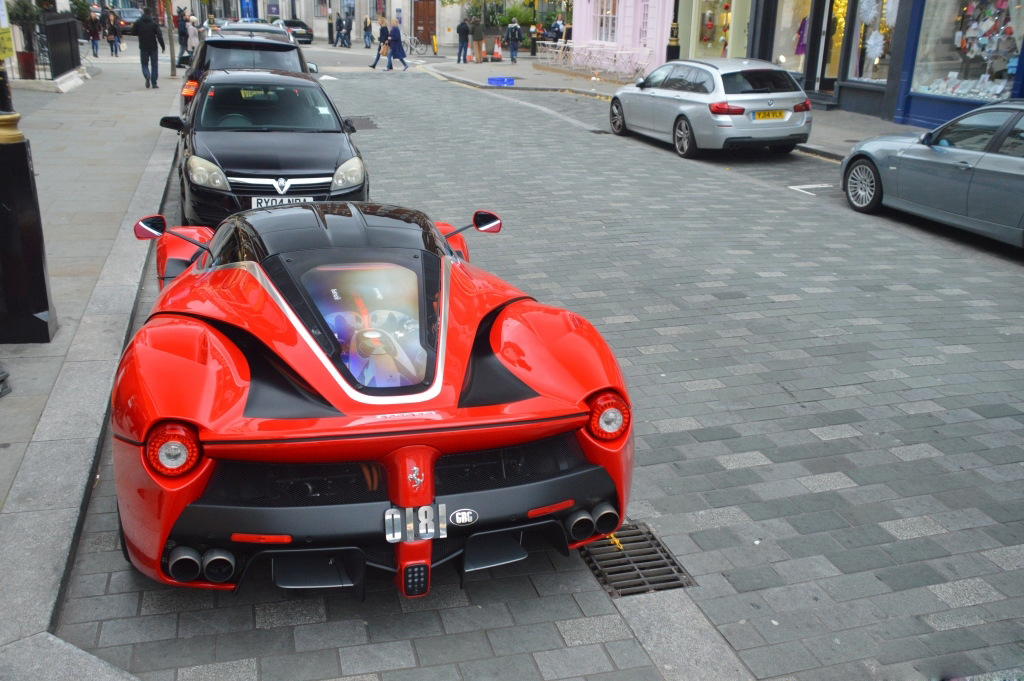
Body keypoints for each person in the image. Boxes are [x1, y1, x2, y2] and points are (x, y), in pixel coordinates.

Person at [133, 7, 165, 88]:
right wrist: (163, 46)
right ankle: (154, 83)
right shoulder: (154, 23)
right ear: (150, 14)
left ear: (143, 12)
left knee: (144, 64)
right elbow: (159, 35)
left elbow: (133, 32)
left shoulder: (138, 22)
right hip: (153, 47)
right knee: (154, 65)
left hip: (143, 46)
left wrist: (140, 32)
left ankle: (147, 75)